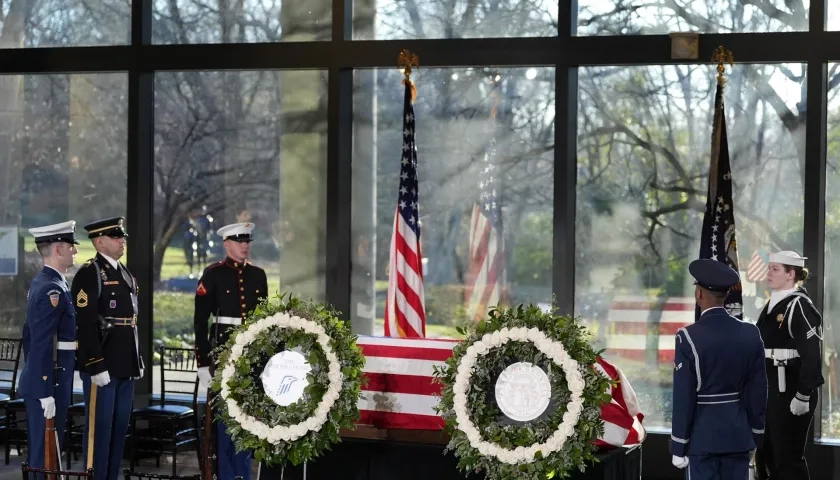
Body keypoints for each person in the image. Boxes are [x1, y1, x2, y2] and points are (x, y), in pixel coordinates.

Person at [670, 259, 767, 479]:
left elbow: (683, 397)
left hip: (702, 438)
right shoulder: (750, 333)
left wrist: (678, 445)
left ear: (699, 294)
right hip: (738, 435)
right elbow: (758, 391)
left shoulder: (688, 337)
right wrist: (756, 435)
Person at [72, 216, 144, 480]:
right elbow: (86, 323)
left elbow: (131, 322)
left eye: (122, 237)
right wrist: (95, 364)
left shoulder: (123, 272)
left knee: (117, 431)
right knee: (99, 432)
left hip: (125, 363)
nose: (122, 241)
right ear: (100, 241)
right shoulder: (89, 273)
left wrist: (137, 360)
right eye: (116, 237)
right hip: (102, 365)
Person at [194, 222, 268, 480]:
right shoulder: (213, 273)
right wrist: (203, 362)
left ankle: (244, 475)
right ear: (227, 244)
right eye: (240, 241)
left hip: (251, 358)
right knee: (225, 424)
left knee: (247, 421)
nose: (245, 245)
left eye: (248, 241)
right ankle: (226, 476)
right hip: (223, 356)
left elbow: (264, 320)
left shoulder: (259, 275)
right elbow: (200, 320)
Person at [754, 250, 823, 480]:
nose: (768, 273)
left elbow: (812, 355)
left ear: (790, 274)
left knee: (787, 460)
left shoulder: (799, 306)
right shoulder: (773, 304)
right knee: (768, 456)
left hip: (790, 391)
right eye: (769, 267)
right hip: (771, 391)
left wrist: (803, 394)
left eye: (775, 269)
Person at [19, 221, 79, 472]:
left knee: (49, 454)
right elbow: (41, 340)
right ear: (57, 249)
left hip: (50, 378)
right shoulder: (51, 288)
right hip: (48, 382)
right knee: (43, 458)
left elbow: (28, 334)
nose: (74, 251)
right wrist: (44, 388)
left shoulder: (49, 283)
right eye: (70, 247)